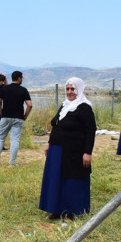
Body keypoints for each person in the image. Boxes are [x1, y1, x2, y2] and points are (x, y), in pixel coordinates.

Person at [39, 77, 97, 219]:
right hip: (57, 150)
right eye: (68, 89)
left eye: (73, 89)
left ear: (79, 90)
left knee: (72, 180)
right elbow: (56, 125)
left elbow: (90, 131)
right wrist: (49, 143)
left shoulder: (84, 107)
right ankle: (55, 210)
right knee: (56, 179)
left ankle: (72, 212)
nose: (70, 92)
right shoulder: (65, 105)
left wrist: (87, 152)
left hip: (74, 151)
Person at [0, 70, 32, 166]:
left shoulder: (4, 88)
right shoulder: (23, 90)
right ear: (19, 78)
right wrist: (25, 115)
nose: (22, 79)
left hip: (5, 116)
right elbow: (29, 105)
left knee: (0, 138)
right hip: (18, 118)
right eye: (22, 78)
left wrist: (1, 112)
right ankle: (12, 163)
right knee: (14, 140)